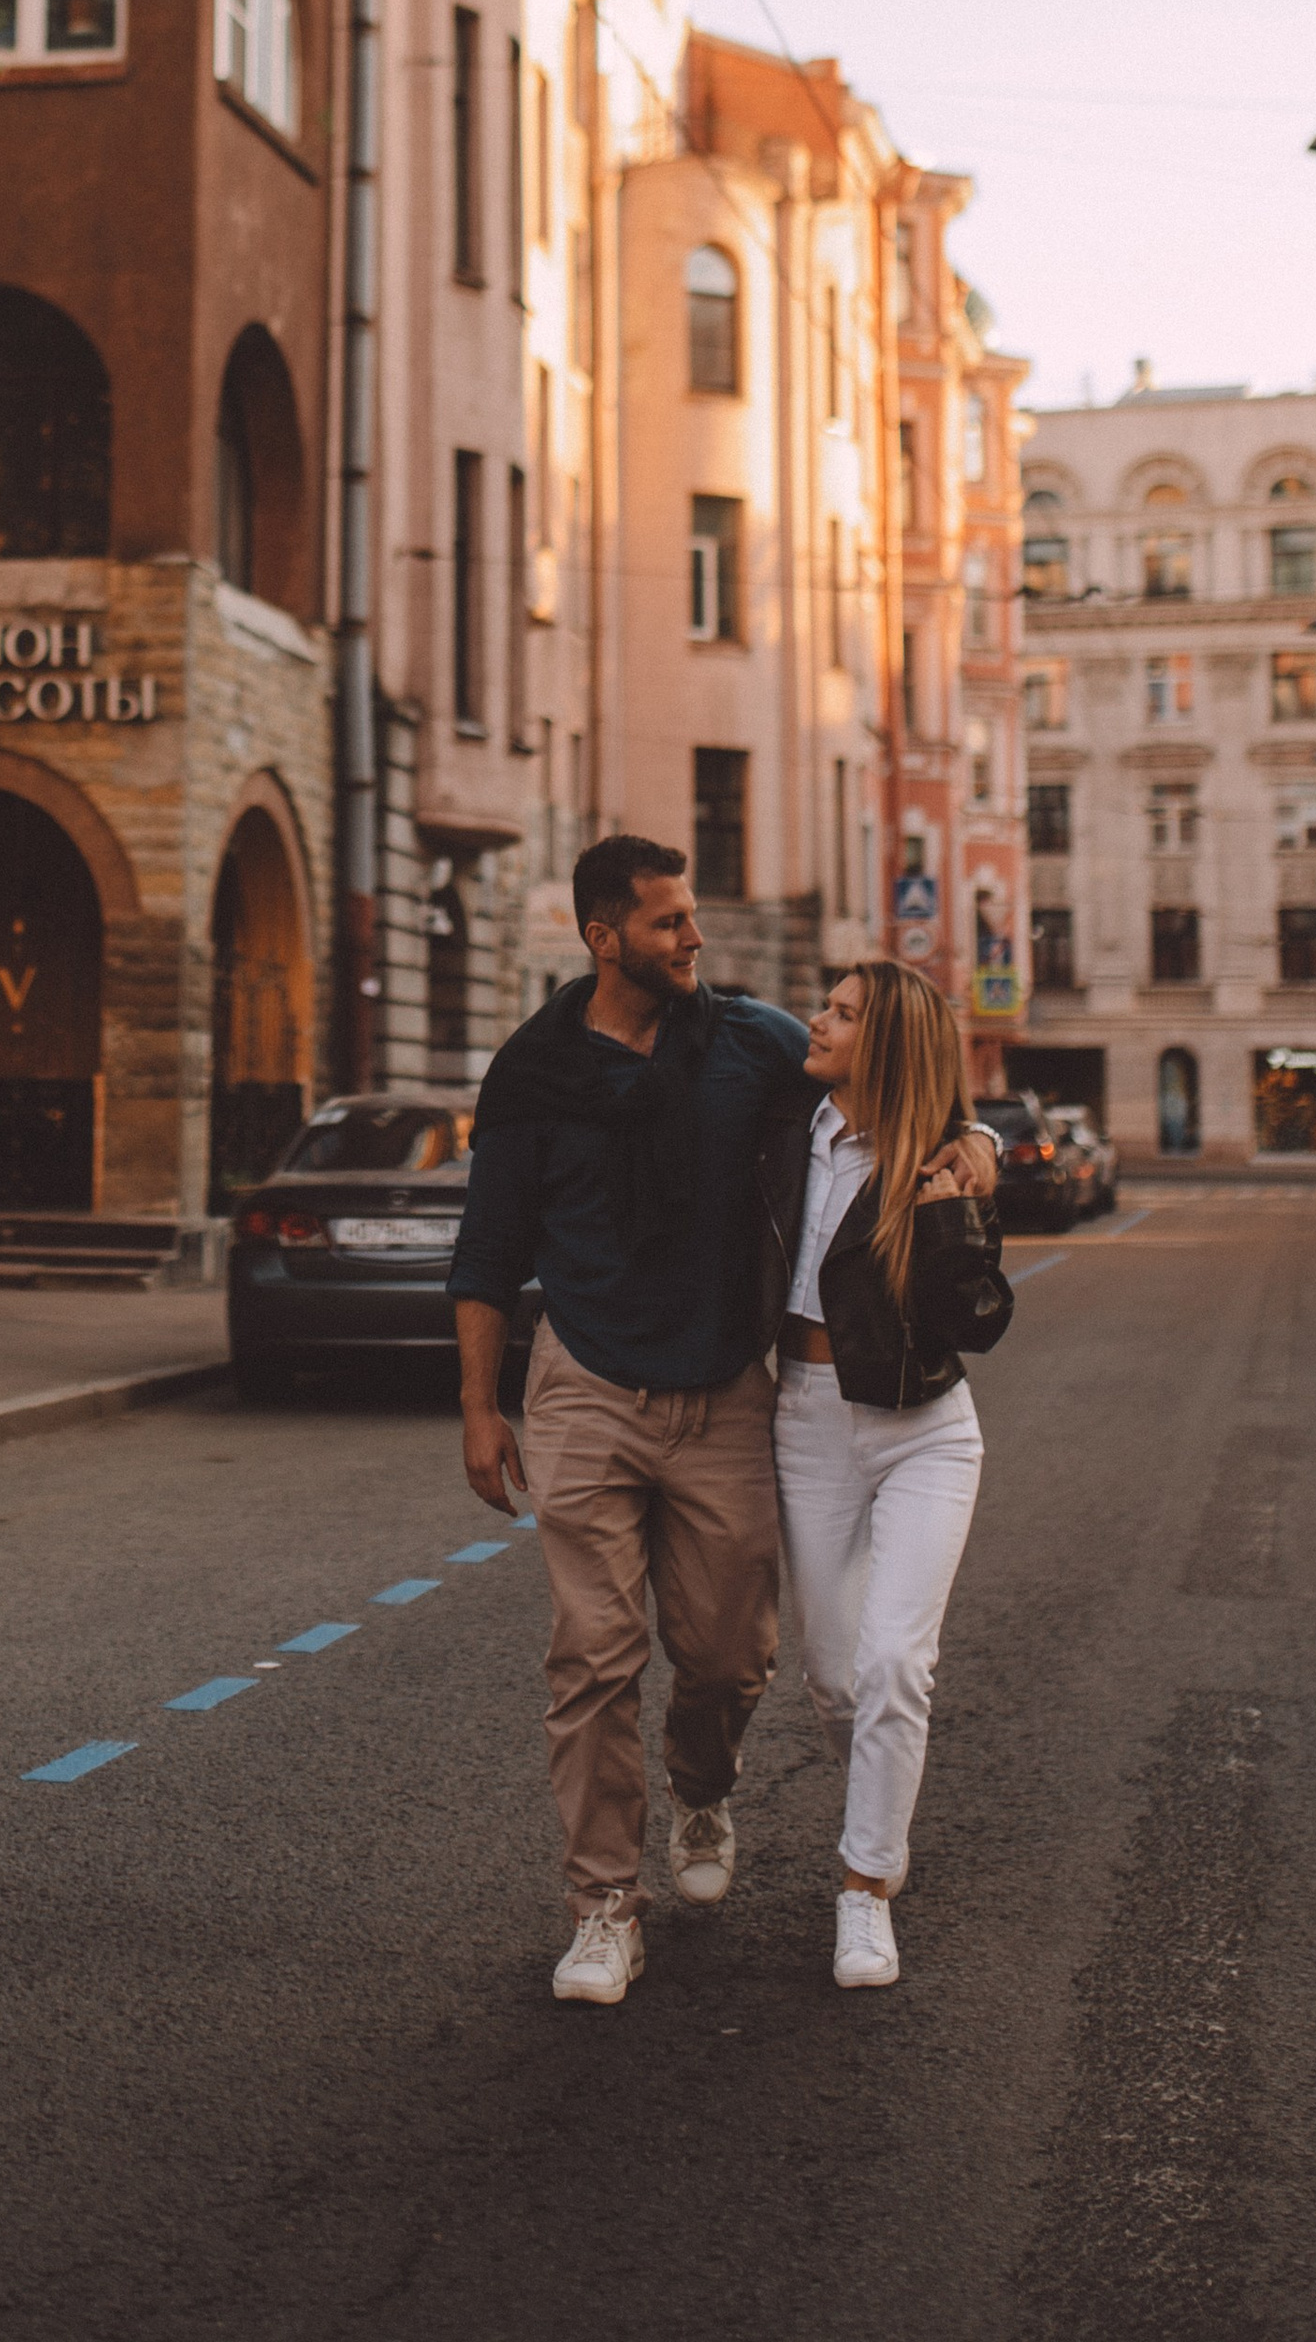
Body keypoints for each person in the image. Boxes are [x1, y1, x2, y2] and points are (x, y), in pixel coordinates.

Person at [447, 837, 996, 2008]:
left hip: (729, 1395)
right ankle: (602, 1905)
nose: (694, 938)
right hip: (584, 1383)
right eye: (668, 924)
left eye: (692, 917)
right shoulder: (533, 1071)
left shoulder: (745, 1039)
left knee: (727, 1655)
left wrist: (979, 1137)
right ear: (603, 939)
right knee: (592, 1652)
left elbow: (893, 1091)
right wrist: (478, 1406)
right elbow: (486, 1252)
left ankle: (702, 1785)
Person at [772, 956, 1013, 1993]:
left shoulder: (937, 1160)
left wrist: (957, 1203)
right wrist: (987, 1133)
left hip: (925, 1430)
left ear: (888, 1043)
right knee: (832, 1674)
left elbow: (983, 1323)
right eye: (823, 1004)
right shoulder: (784, 1127)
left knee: (894, 1665)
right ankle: (884, 1798)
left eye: (839, 1011)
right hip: (805, 1419)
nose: (815, 1020)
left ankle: (864, 1884)